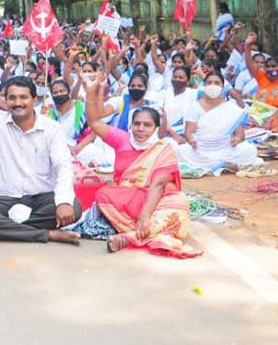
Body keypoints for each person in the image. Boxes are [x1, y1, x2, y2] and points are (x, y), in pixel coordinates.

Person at [0, 58, 81, 246]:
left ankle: (11, 229)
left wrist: (63, 201)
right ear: (5, 101)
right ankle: (46, 234)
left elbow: (63, 166)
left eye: (23, 97)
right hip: (2, 197)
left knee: (74, 207)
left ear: (34, 99)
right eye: (12, 98)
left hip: (42, 197)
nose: (18, 102)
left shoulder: (51, 128)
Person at [84, 74, 200, 258]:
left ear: (155, 128)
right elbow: (95, 122)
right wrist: (91, 92)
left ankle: (130, 237)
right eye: (137, 124)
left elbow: (159, 185)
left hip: (155, 198)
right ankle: (151, 232)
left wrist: (145, 216)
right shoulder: (122, 139)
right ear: (131, 125)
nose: (140, 129)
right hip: (128, 198)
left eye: (147, 125)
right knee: (103, 194)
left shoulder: (164, 149)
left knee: (179, 203)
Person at [176, 70, 261, 173]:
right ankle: (224, 164)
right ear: (204, 85)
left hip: (226, 148)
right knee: (182, 150)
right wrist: (191, 141)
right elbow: (188, 132)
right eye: (209, 83)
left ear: (222, 86)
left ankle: (216, 164)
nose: (213, 86)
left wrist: (237, 139)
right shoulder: (195, 106)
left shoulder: (231, 107)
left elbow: (239, 133)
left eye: (217, 83)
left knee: (250, 150)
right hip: (201, 149)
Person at [244, 33, 278, 133]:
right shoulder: (262, 77)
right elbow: (250, 65)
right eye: (268, 67)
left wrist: (269, 120)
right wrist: (247, 46)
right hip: (258, 114)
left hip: (276, 116)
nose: (270, 69)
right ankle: (259, 127)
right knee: (242, 116)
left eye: (274, 66)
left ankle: (265, 128)